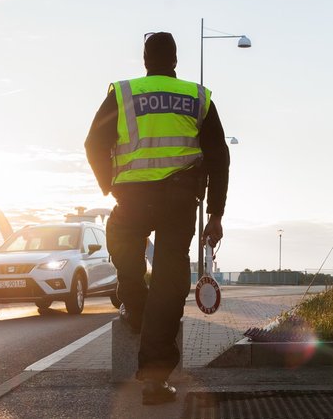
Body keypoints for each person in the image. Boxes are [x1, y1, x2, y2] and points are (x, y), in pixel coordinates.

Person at [85, 32, 229, 405]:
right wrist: (215, 214)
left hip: (132, 197)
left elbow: (93, 142)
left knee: (121, 243)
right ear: (175, 61)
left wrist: (108, 185)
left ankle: (135, 304)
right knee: (169, 280)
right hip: (179, 201)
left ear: (146, 60)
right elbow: (219, 157)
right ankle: (154, 378)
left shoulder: (124, 94)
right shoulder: (198, 98)